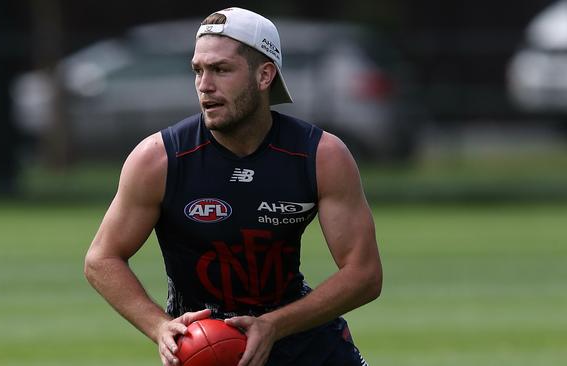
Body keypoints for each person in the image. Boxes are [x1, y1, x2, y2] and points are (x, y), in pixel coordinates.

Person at [84, 7, 382, 366]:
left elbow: (364, 274)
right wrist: (160, 327)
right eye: (198, 70)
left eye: (221, 70)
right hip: (204, 346)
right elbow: (102, 259)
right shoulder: (159, 159)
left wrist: (272, 325)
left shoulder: (320, 156)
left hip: (302, 337)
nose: (204, 85)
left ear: (264, 75)